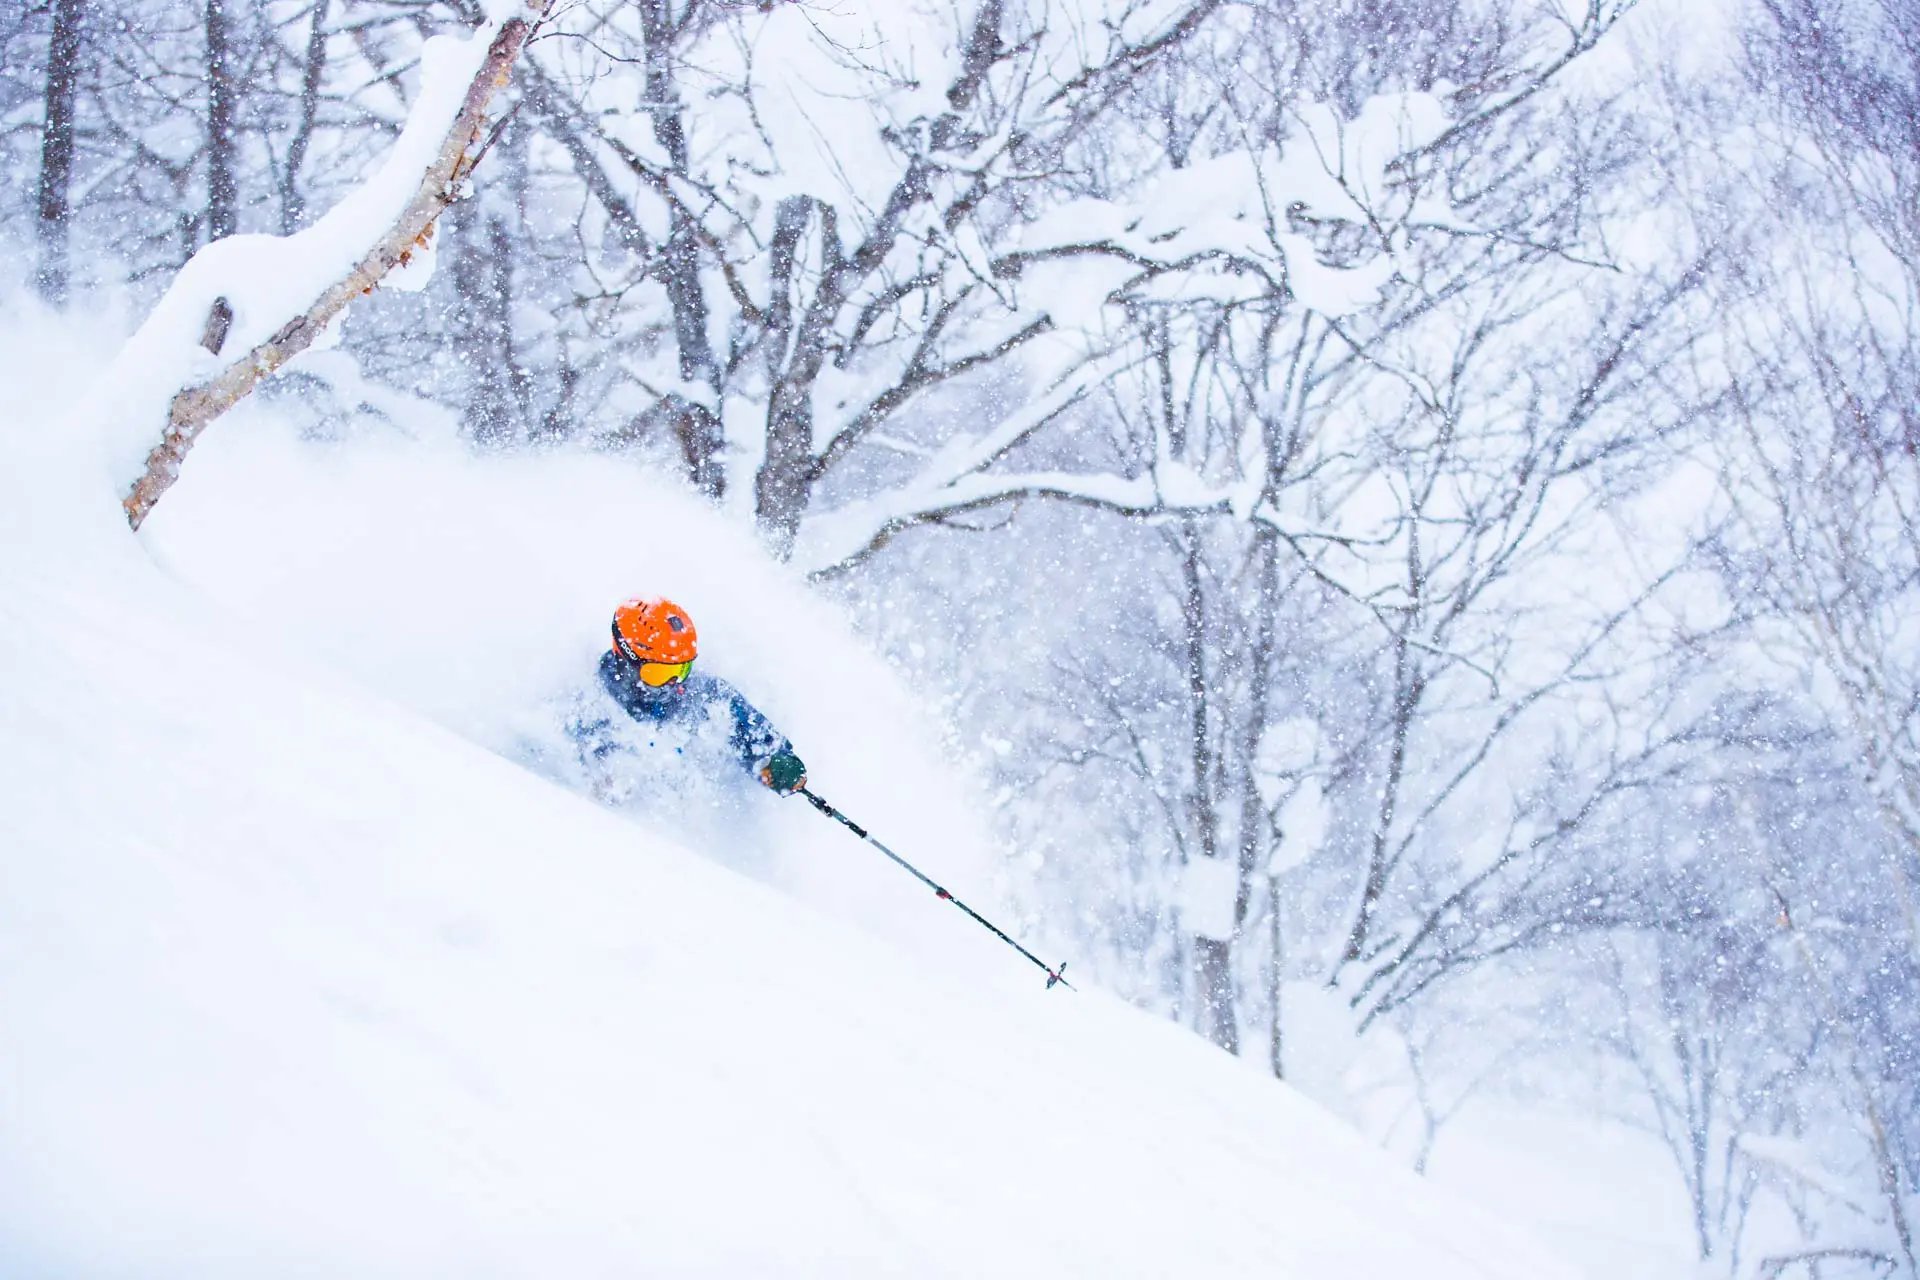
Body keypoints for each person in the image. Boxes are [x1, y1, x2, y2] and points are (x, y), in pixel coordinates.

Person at [593, 595, 808, 796]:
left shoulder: (700, 695)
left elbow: (742, 721)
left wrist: (774, 759)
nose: (674, 683)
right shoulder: (595, 702)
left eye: (682, 670)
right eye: (660, 673)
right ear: (626, 660)